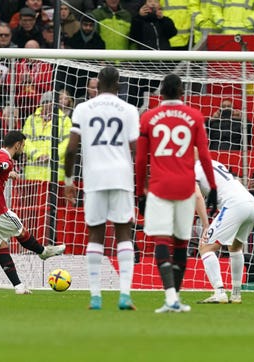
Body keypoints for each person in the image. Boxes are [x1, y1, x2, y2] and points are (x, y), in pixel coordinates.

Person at [135, 73, 218, 313]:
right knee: (181, 244)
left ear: (161, 92)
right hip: (185, 187)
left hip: (160, 187)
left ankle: (171, 297)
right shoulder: (194, 116)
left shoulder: (149, 117)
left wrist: (141, 191)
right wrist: (211, 186)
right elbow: (204, 154)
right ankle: (175, 298)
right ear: (182, 91)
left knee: (161, 240)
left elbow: (141, 159)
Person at [63, 66, 140, 311]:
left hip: (94, 178)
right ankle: (125, 295)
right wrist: (138, 181)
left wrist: (68, 181)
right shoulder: (129, 110)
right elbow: (137, 150)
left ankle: (95, 297)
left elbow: (71, 148)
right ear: (118, 83)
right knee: (123, 233)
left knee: (95, 234)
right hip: (121, 176)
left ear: (97, 85)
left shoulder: (83, 108)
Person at [0, 131, 66, 294]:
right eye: (23, 147)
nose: (23, 150)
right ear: (17, 145)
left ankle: (18, 286)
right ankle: (43, 252)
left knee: (1, 245)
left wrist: (7, 174)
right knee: (21, 232)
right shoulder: (7, 161)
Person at [195, 158, 254, 304]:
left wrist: (205, 225)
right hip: (250, 202)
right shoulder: (214, 162)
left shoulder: (192, 170)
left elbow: (198, 196)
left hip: (234, 204)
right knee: (235, 248)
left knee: (205, 247)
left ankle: (219, 292)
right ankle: (236, 294)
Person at [22, 91, 73, 181]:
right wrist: (38, 155)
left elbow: (67, 143)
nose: (48, 105)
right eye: (45, 102)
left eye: (50, 102)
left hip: (55, 175)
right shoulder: (31, 119)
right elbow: (25, 141)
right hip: (33, 175)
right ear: (41, 104)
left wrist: (51, 156)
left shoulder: (65, 120)